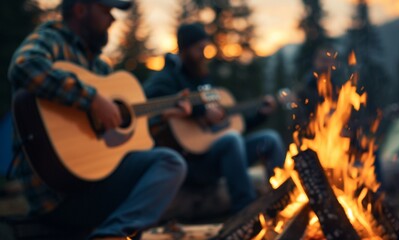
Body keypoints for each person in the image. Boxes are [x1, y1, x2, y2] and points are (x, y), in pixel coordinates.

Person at [7, 0, 191, 239]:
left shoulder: (99, 67)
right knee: (170, 163)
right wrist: (92, 99)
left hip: (94, 184)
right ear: (80, 9)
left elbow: (120, 136)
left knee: (169, 162)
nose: (112, 19)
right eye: (106, 11)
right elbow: (24, 67)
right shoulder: (51, 39)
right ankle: (112, 235)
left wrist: (164, 117)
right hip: (58, 198)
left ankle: (111, 233)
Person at [143, 23, 285, 214]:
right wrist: (198, 112)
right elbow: (150, 103)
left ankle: (280, 201)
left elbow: (229, 126)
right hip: (192, 163)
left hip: (221, 154)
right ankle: (246, 211)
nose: (204, 54)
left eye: (205, 48)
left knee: (270, 139)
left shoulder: (203, 80)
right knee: (231, 141)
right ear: (185, 49)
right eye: (199, 49)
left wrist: (260, 115)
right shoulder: (166, 78)